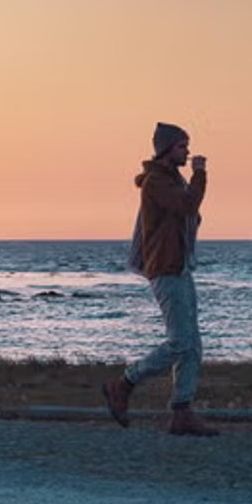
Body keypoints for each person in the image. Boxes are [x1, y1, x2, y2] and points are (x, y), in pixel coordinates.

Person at [104, 122, 215, 434]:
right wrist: (201, 174)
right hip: (166, 268)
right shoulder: (156, 181)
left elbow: (188, 212)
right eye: (182, 146)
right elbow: (187, 206)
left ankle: (182, 412)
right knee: (181, 342)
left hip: (180, 267)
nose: (188, 152)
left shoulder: (172, 180)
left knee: (192, 345)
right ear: (167, 149)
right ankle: (124, 383)